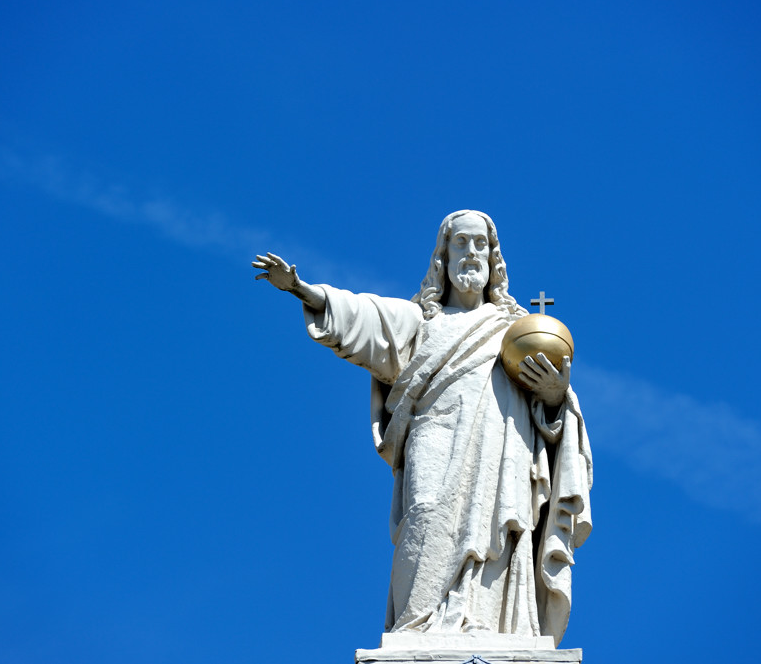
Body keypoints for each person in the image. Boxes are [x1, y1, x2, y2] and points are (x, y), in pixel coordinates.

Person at [252, 210, 592, 643]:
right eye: (461, 243)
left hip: (503, 444)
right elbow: (362, 317)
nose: (471, 253)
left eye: (480, 245)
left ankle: (491, 623)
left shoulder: (515, 330)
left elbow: (558, 416)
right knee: (426, 513)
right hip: (434, 433)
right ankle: (417, 625)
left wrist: (554, 394)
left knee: (498, 527)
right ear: (443, 256)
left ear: (493, 258)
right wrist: (301, 288)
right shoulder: (421, 321)